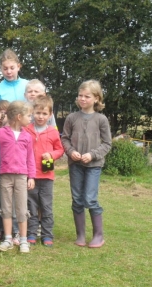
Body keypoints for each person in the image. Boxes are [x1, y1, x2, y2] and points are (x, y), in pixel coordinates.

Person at [0, 101, 35, 253]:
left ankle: (23, 241)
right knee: (6, 209)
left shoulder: (27, 136)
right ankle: (8, 239)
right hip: (4, 177)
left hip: (22, 177)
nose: (31, 118)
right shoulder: (1, 132)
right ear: (18, 117)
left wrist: (31, 177)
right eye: (29, 115)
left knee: (22, 209)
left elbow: (31, 158)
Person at [61, 80, 112, 248]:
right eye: (80, 95)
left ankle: (98, 235)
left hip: (93, 166)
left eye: (87, 96)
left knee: (90, 199)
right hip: (75, 165)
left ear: (96, 98)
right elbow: (64, 139)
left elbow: (107, 144)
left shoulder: (101, 119)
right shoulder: (71, 118)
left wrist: (92, 154)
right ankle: (80, 235)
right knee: (77, 199)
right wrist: (70, 152)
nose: (82, 99)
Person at [25, 95, 64, 247]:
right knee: (31, 206)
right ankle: (31, 234)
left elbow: (60, 150)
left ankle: (47, 235)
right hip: (31, 176)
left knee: (46, 207)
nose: (40, 116)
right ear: (33, 112)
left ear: (50, 115)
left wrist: (52, 155)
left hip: (47, 176)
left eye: (44, 114)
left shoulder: (53, 132)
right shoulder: (26, 130)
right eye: (38, 113)